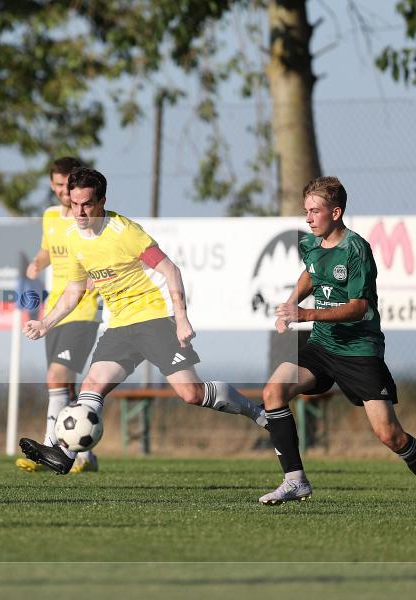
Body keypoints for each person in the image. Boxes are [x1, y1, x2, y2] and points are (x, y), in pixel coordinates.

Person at [19, 167, 267, 474]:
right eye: (74, 203)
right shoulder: (72, 238)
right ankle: (65, 454)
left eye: (87, 204)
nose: (80, 212)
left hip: (152, 320)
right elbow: (75, 290)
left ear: (102, 201)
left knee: (192, 394)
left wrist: (181, 319)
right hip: (120, 326)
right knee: (92, 385)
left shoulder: (125, 232)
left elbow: (170, 270)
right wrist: (46, 323)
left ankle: (259, 413)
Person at [260, 176, 416, 508]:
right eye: (306, 210)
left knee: (388, 434)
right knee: (273, 392)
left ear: (335, 213)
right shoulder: (311, 244)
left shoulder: (355, 249)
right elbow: (310, 271)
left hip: (358, 350)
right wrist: (291, 304)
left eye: (315, 211)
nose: (308, 218)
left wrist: (307, 316)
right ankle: (295, 480)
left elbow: (359, 307)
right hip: (323, 345)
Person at [15, 157, 103, 474]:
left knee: (56, 377)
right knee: (63, 386)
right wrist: (38, 263)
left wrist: (99, 275)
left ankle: (49, 448)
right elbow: (47, 250)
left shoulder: (90, 220)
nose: (61, 191)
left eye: (66, 184)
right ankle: (84, 455)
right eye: (56, 185)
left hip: (85, 309)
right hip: (56, 310)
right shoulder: (52, 217)